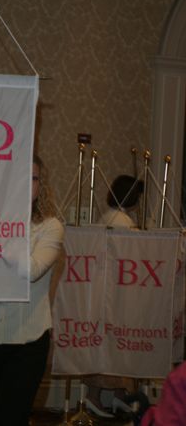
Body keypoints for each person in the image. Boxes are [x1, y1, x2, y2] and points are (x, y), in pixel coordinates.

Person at [0, 154, 65, 426]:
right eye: (22, 177)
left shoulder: (50, 227)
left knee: (12, 418)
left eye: (34, 178)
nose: (28, 184)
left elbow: (31, 271)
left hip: (28, 340)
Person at [85, 174, 144, 418]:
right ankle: (97, 397)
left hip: (103, 291)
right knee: (115, 346)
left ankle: (119, 396)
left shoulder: (106, 217)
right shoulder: (124, 223)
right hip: (118, 294)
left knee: (107, 345)